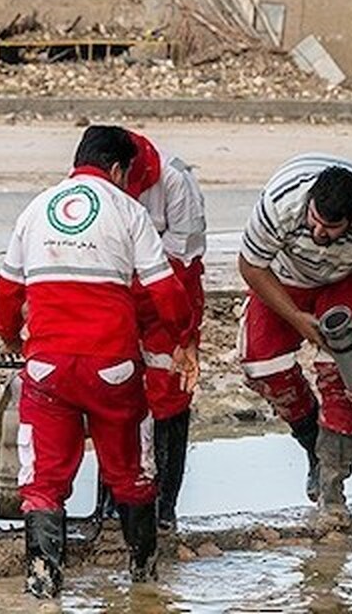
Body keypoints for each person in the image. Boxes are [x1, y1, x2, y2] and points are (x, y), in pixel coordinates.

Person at [0, 125, 197, 599]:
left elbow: (6, 291)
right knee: (131, 474)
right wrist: (183, 339)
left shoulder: (37, 207)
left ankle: (44, 588)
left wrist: (9, 338)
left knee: (43, 481)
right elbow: (166, 291)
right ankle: (144, 583)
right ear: (120, 170)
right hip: (114, 369)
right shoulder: (128, 211)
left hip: (47, 370)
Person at [238, 154, 352, 519]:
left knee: (346, 379)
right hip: (284, 278)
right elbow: (251, 265)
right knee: (261, 364)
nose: (319, 233)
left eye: (331, 229)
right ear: (309, 202)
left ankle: (332, 493)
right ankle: (311, 441)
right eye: (314, 221)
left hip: (347, 279)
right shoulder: (280, 203)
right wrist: (298, 319)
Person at [123, 129, 206, 532]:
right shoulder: (101, 177)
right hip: (120, 292)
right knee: (118, 388)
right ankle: (118, 501)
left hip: (171, 295)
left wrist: (185, 334)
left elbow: (184, 261)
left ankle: (165, 508)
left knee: (170, 394)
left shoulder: (175, 181)